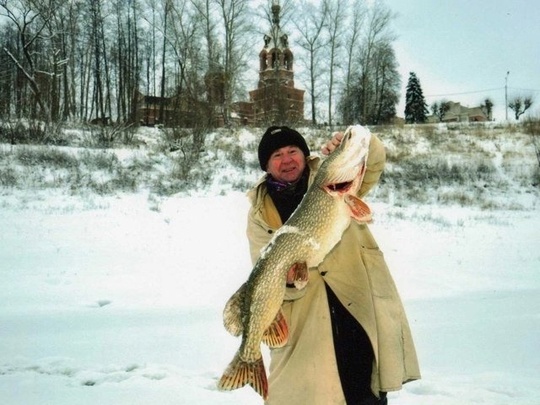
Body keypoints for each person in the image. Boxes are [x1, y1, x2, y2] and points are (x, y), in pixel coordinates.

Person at [246, 125, 420, 405]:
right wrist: (289, 281)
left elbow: (373, 161)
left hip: (355, 308)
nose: (287, 159)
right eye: (277, 155)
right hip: (307, 323)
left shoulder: (332, 180)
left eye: (293, 151)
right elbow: (266, 274)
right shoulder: (258, 213)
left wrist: (356, 142)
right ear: (266, 165)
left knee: (365, 392)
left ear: (305, 155)